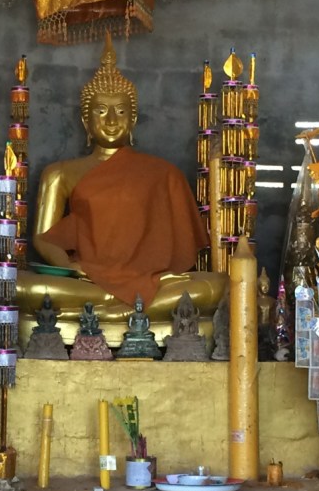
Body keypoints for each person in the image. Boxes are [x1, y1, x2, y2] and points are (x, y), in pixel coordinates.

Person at [17, 32, 226, 328]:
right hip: (86, 280)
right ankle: (126, 311)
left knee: (213, 286)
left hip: (151, 283)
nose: (112, 120)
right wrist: (71, 268)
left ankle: (114, 311)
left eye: (121, 111)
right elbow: (42, 237)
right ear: (85, 120)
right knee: (19, 286)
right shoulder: (60, 173)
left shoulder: (163, 174)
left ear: (134, 119)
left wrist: (155, 276)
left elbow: (180, 252)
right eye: (101, 111)